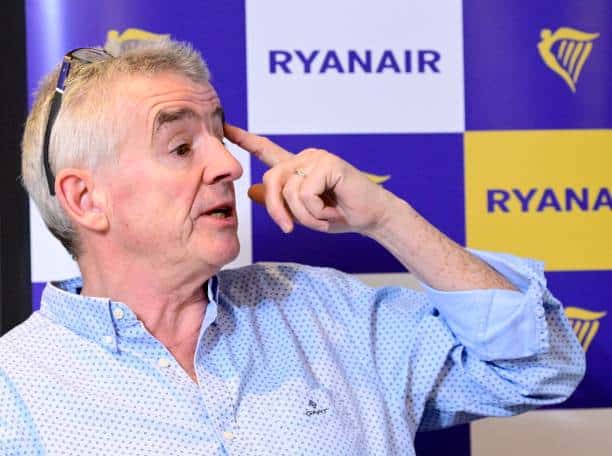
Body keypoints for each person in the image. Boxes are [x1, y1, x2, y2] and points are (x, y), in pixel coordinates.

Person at [1, 39, 584, 455]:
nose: (229, 166)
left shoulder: (327, 313)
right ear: (86, 199)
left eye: (220, 136)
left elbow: (539, 367)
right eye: (180, 147)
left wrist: (387, 219)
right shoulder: (16, 389)